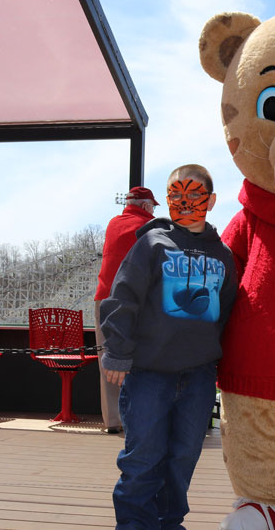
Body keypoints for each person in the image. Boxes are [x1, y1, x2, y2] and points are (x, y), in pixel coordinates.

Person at [99, 164, 237, 530]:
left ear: (212, 200)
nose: (184, 201)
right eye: (175, 195)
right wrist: (117, 350)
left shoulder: (223, 256)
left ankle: (169, 523)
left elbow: (227, 313)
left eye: (194, 194)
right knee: (143, 459)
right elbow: (123, 296)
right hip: (149, 374)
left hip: (199, 377)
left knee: (183, 459)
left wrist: (222, 366)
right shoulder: (151, 243)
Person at [94, 186, 159, 434]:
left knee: (108, 361)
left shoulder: (113, 223)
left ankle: (113, 421)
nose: (153, 211)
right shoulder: (152, 227)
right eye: (152, 206)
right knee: (144, 359)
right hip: (135, 299)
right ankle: (143, 417)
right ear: (145, 206)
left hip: (104, 297)